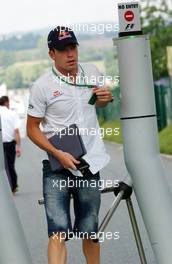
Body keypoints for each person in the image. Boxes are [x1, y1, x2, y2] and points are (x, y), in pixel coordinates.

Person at [27, 26, 113, 264]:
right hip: (57, 166)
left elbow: (99, 103)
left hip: (89, 164)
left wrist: (105, 100)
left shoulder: (93, 72)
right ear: (51, 53)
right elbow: (32, 128)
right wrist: (57, 153)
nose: (70, 54)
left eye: (73, 47)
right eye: (63, 50)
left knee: (90, 232)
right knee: (58, 232)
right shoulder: (41, 86)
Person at [0, 95, 21, 194]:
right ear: (7, 102)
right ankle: (13, 186)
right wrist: (18, 147)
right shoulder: (12, 113)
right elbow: (16, 131)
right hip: (10, 143)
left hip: (1, 142)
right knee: (10, 165)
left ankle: (4, 189)